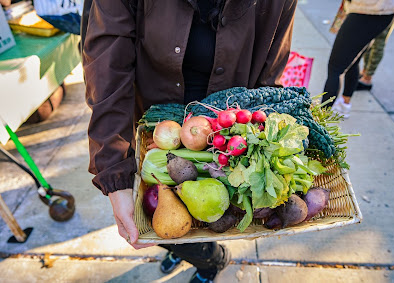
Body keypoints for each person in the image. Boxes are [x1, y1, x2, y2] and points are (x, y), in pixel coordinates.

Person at [82, 0, 297, 282]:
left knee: (205, 213)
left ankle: (200, 257)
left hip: (225, 131)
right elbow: (107, 66)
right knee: (155, 214)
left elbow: (271, 72)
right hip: (159, 124)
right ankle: (209, 258)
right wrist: (113, 170)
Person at [322, 0, 394, 118]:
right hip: (383, 10)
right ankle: (344, 105)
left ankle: (319, 122)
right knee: (353, 60)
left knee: (335, 68)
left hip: (368, 8)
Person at [357, 15, 394, 90]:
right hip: (375, 8)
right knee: (368, 39)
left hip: (388, 9)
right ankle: (365, 72)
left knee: (378, 43)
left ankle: (367, 78)